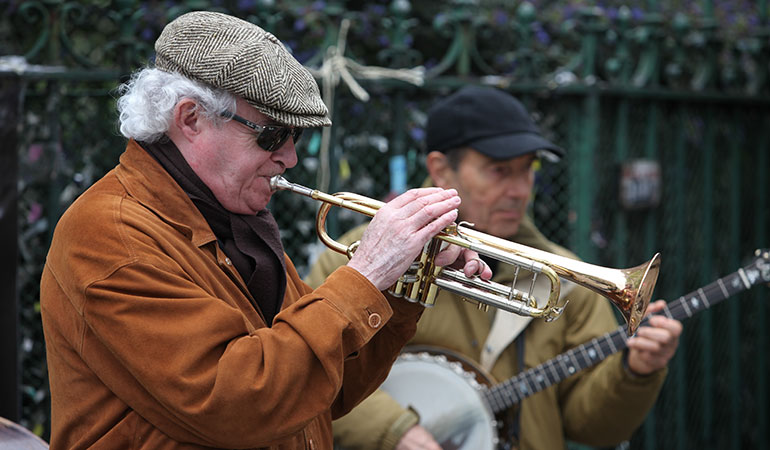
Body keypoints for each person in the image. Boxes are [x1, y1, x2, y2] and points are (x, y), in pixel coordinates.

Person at [38, 12, 491, 450]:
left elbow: (318, 392)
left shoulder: (235, 220)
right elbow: (235, 401)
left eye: (297, 138)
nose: (290, 158)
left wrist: (399, 286)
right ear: (190, 118)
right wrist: (366, 275)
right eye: (273, 136)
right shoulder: (110, 234)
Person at [305, 85, 683, 450]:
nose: (521, 189)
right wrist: (393, 431)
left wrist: (636, 371)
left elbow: (592, 428)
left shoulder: (569, 279)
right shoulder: (360, 255)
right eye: (500, 171)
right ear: (441, 169)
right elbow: (311, 376)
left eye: (527, 170)